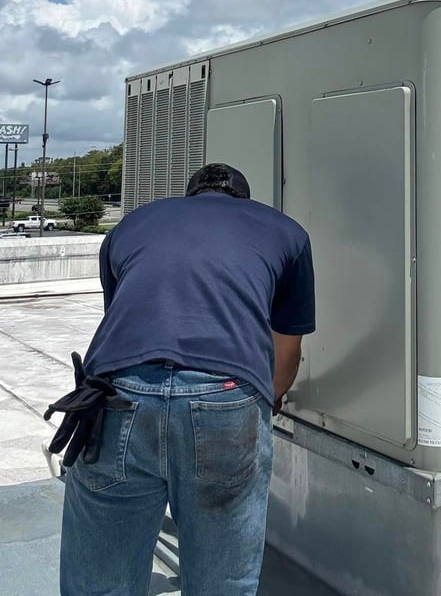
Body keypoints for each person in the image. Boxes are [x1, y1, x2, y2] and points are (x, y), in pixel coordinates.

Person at [50, 162, 315, 596]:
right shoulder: (286, 232)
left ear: (189, 197)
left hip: (118, 395)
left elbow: (122, 319)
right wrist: (263, 403)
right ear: (242, 202)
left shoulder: (133, 224)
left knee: (100, 581)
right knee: (221, 582)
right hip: (226, 398)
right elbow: (286, 352)